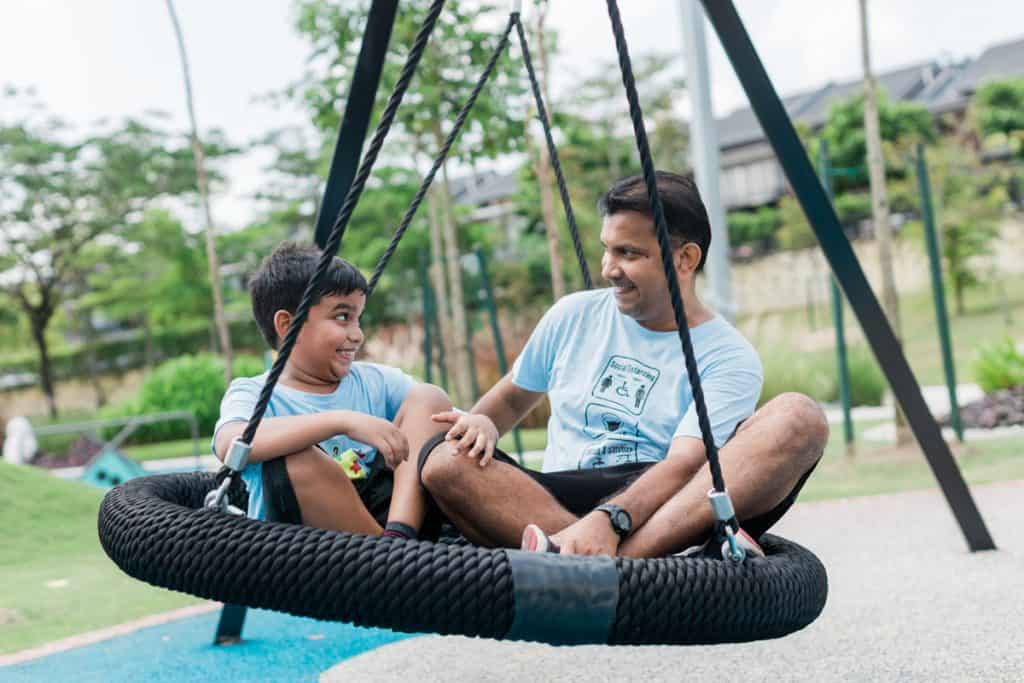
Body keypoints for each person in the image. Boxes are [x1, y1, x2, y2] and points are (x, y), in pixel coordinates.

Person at [421, 171, 828, 558]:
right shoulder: (573, 315)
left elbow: (684, 463)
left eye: (628, 253)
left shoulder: (728, 355)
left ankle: (618, 560)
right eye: (607, 249)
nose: (608, 269)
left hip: (660, 501)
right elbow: (511, 399)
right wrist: (482, 424)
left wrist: (610, 521)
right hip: (555, 495)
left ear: (685, 259)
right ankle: (591, 555)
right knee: (443, 461)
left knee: (799, 417)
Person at [213, 243, 450, 540]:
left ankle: (398, 538)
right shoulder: (254, 393)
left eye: (358, 318)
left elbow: (432, 417)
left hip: (391, 523)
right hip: (307, 545)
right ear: (289, 325)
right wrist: (342, 421)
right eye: (342, 317)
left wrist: (477, 422)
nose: (357, 334)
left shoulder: (374, 381)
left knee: (429, 398)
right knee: (294, 458)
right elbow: (231, 443)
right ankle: (389, 555)